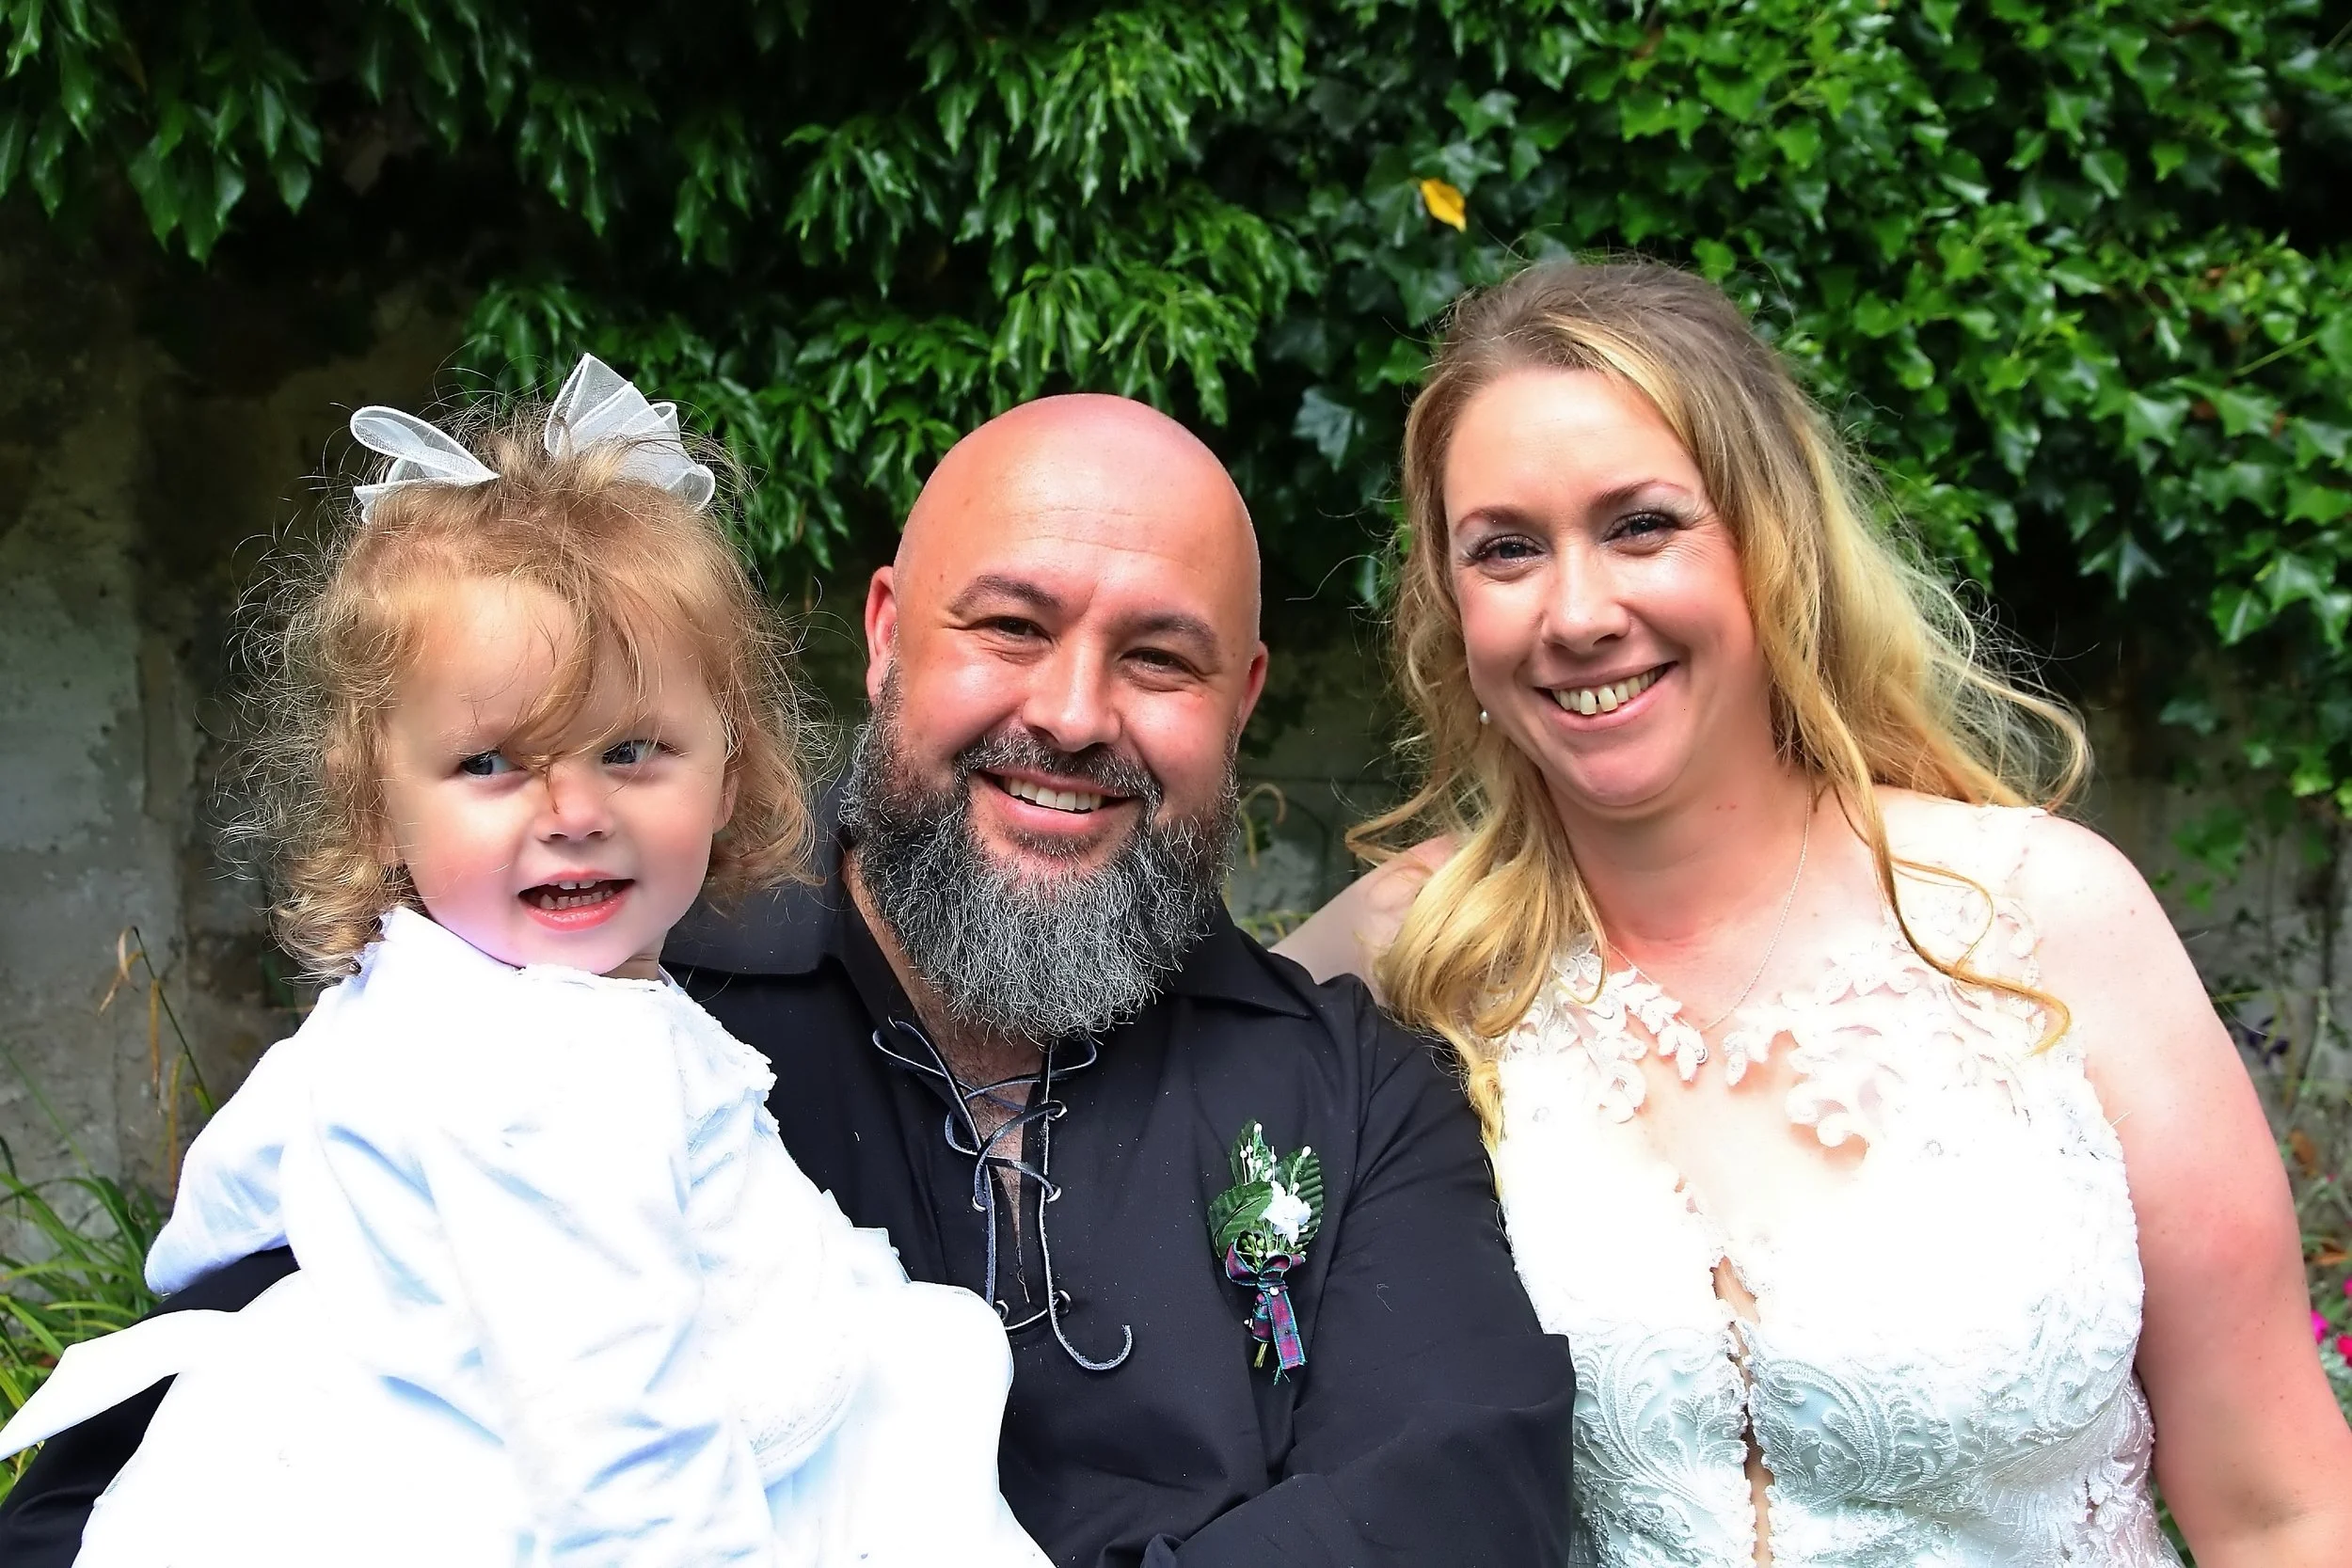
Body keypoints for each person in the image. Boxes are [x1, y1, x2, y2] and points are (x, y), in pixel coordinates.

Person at [0, 392, 1578, 1567]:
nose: (1077, 711)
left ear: (1238, 703)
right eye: (1009, 625)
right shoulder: (588, 981)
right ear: (888, 636)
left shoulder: (1347, 1089)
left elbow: (1461, 1493)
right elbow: (199, 1431)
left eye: (1159, 661)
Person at [1277, 260, 2352, 1566]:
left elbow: (2285, 1506)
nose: (1576, 611)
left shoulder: (2040, 921)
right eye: (1506, 549)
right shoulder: (1408, 955)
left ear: (1769, 538)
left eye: (1642, 524)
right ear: (1452, 604)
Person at [0, 358, 1053, 1568]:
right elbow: (625, 1456)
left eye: (633, 749)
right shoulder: (541, 1081)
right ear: (377, 800)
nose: (571, 807)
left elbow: (227, 1201)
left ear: (729, 764)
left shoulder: (418, 997)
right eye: (494, 762)